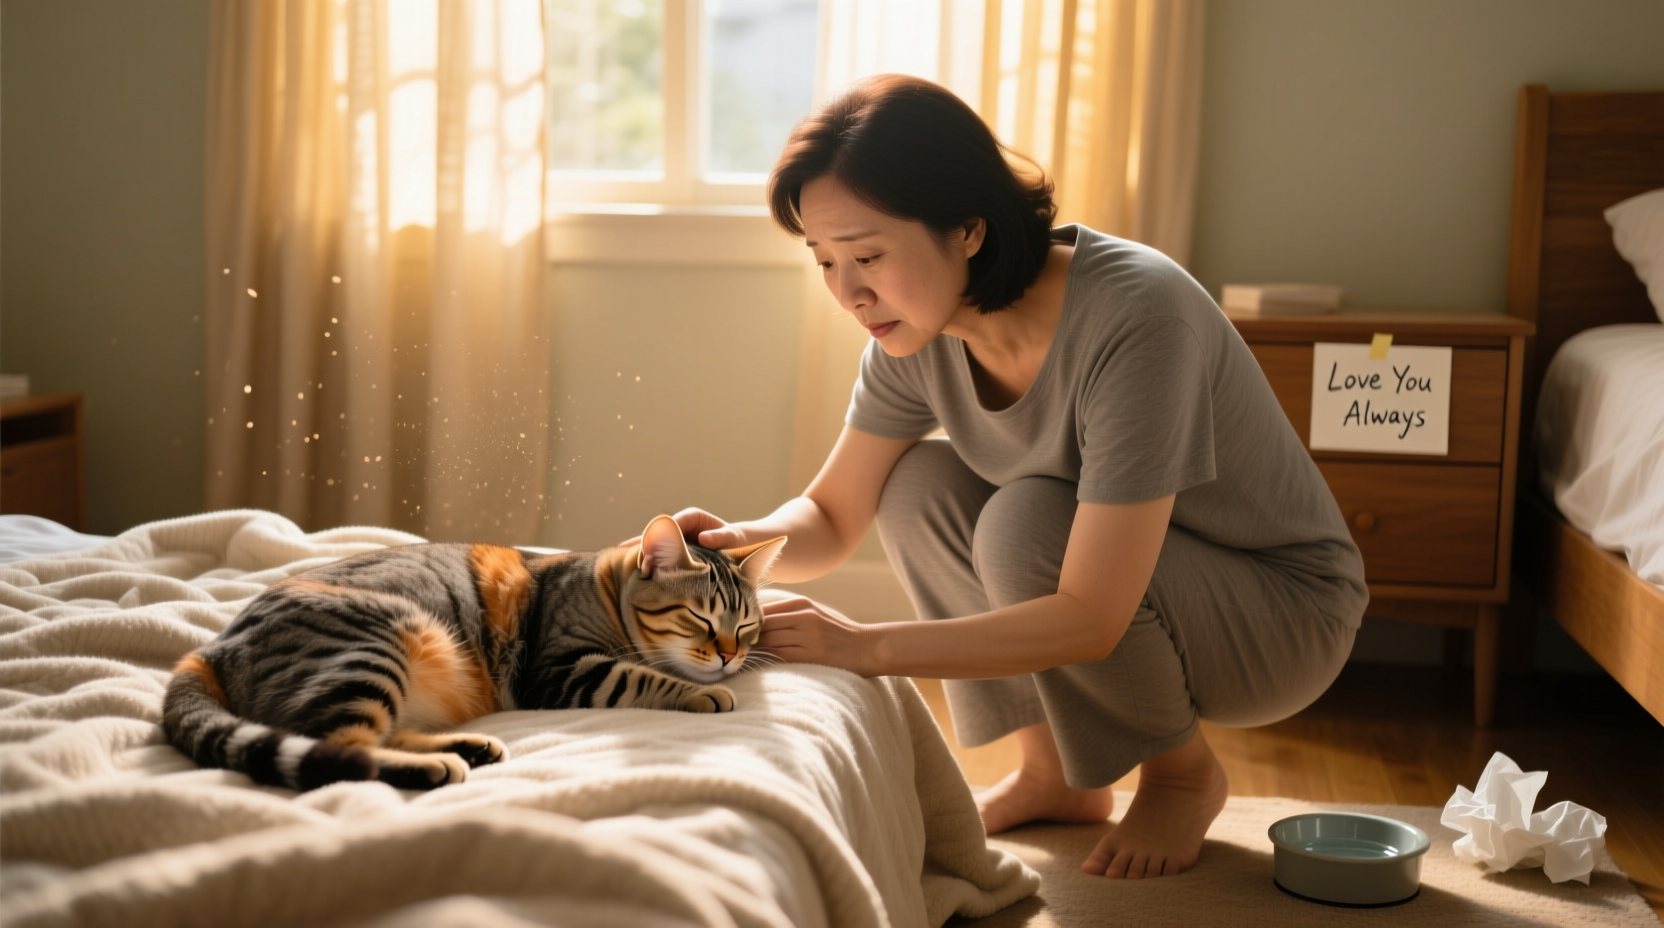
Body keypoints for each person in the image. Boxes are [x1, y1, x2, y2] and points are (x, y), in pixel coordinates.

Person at [668, 74, 1367, 879]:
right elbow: (831, 515)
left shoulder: (1137, 317)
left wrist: (864, 647)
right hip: (1146, 596)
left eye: (867, 256)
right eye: (824, 261)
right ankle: (1055, 773)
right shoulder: (912, 333)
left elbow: (1092, 618)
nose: (848, 293)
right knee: (918, 486)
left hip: (1281, 618)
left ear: (967, 228)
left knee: (1024, 521)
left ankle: (1181, 775)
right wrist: (731, 546)